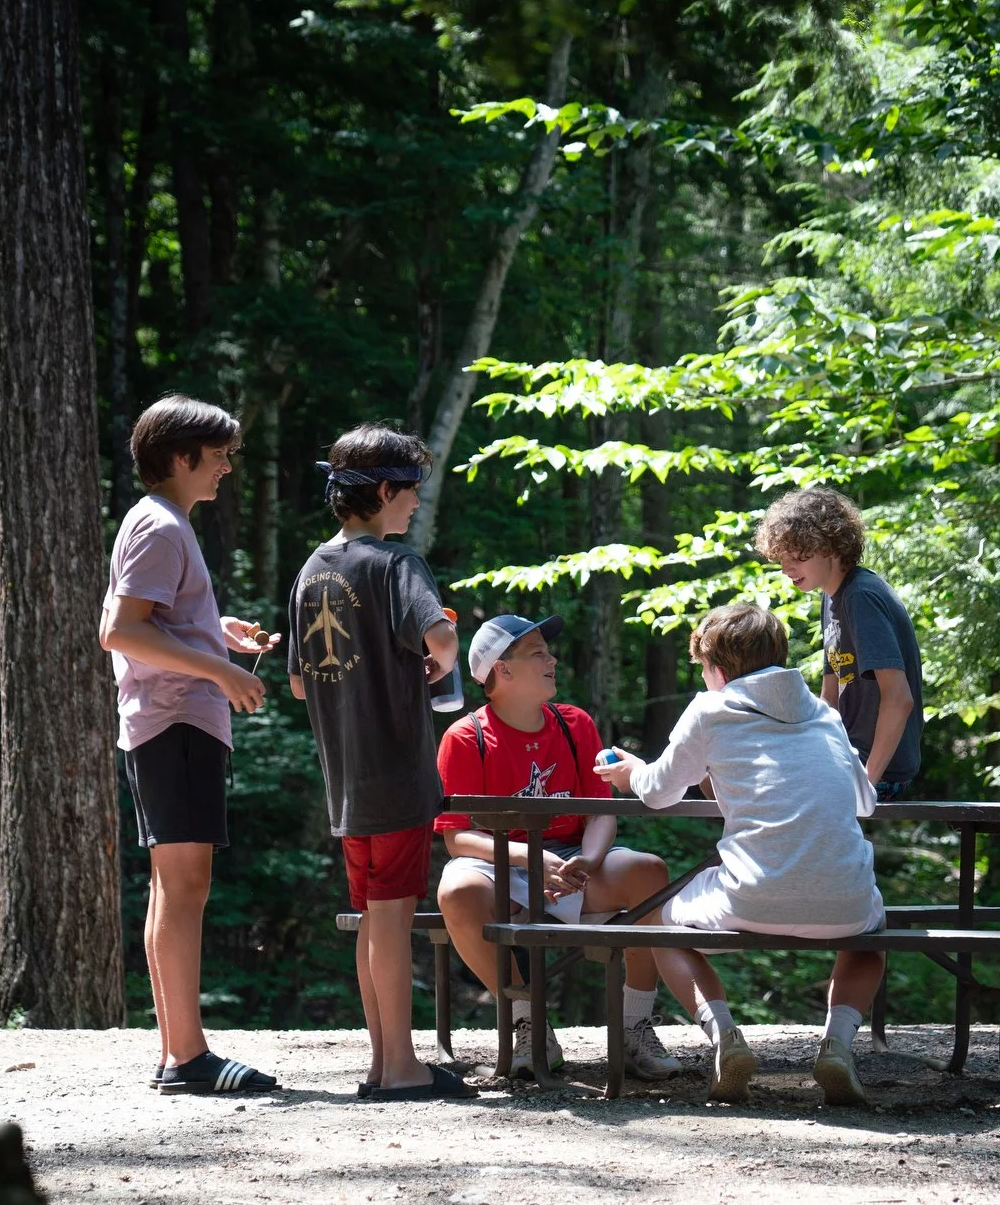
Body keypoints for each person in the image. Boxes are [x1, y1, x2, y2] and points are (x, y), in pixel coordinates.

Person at [595, 603, 886, 1107]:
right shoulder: (826, 714)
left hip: (750, 895)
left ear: (719, 670)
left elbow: (659, 792)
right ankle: (837, 1046)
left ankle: (726, 1038)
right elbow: (865, 801)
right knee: (869, 938)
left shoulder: (711, 708)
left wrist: (631, 773)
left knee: (658, 922)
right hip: (845, 901)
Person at [99, 395, 283, 1095]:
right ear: (181, 457)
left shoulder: (164, 523)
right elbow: (119, 630)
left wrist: (214, 629)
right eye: (220, 456)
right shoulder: (160, 525)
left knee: (173, 889)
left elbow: (153, 619)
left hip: (172, 722)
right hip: (175, 722)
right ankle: (188, 1058)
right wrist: (218, 667)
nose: (228, 468)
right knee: (185, 888)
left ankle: (179, 1050)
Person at [287, 424, 476, 1101]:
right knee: (393, 921)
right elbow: (444, 636)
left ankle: (382, 1062)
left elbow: (302, 682)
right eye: (412, 493)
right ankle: (401, 1068)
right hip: (396, 772)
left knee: (373, 919)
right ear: (387, 491)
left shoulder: (312, 569)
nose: (416, 506)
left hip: (345, 781)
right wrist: (438, 662)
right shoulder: (397, 565)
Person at [434, 614, 691, 1085]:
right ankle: (528, 1025)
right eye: (537, 653)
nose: (552, 659)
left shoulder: (575, 724)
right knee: (456, 890)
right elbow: (458, 838)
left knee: (648, 870)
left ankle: (634, 1026)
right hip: (500, 862)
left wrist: (587, 862)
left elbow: (601, 813)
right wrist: (530, 861)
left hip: (571, 858)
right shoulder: (465, 737)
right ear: (502, 671)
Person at [755, 486, 925, 801]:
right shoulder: (831, 598)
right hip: (844, 757)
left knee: (761, 788)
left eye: (797, 556)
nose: (786, 568)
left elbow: (900, 699)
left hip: (878, 771)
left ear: (831, 546)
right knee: (737, 766)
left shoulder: (861, 596)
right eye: (782, 557)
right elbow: (829, 698)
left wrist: (865, 786)